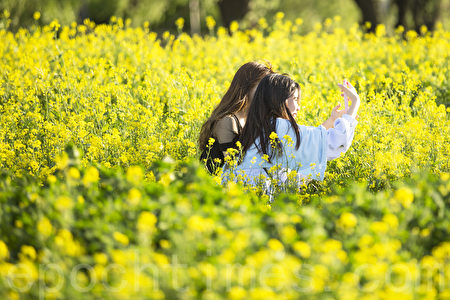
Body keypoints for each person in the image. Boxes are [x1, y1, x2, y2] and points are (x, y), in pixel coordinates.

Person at [224, 73, 360, 194]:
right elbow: (333, 144)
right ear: (279, 100)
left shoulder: (259, 126)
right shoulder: (278, 126)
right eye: (295, 99)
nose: (298, 107)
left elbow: (308, 143)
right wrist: (354, 104)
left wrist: (332, 121)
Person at [199, 62, 274, 174]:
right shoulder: (227, 121)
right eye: (261, 86)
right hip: (213, 185)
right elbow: (233, 166)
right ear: (247, 86)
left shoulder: (255, 120)